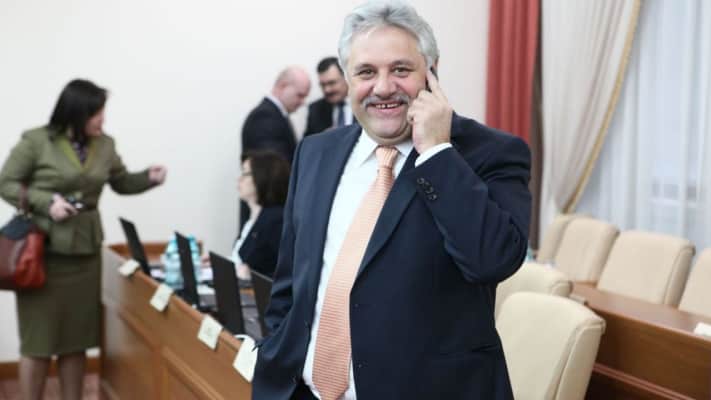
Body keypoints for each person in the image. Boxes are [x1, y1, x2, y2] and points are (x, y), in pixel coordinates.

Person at [251, 2, 531, 400]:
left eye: (400, 69)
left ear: (432, 71)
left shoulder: (491, 154)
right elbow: (290, 284)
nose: (383, 88)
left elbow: (492, 260)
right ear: (348, 79)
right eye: (366, 72)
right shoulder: (315, 152)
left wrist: (437, 152)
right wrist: (276, 361)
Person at [0, 79, 166, 400]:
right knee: (38, 343)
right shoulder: (37, 141)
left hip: (85, 255)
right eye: (96, 113)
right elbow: (6, 183)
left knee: (76, 343)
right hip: (42, 256)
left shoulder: (105, 145)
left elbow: (121, 181)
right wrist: (47, 203)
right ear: (76, 112)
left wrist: (149, 178)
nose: (102, 119)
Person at [231, 150, 290, 281]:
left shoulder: (276, 220)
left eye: (245, 173)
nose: (239, 179)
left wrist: (251, 276)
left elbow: (284, 272)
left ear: (262, 177)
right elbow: (241, 260)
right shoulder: (252, 217)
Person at [241, 66, 311, 164]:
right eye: (300, 95)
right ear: (282, 86)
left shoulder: (275, 114)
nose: (303, 102)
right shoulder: (264, 117)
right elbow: (274, 167)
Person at [304, 57, 353, 136]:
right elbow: (307, 141)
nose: (327, 90)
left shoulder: (365, 103)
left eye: (331, 83)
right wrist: (323, 137)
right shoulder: (315, 110)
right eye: (322, 85)